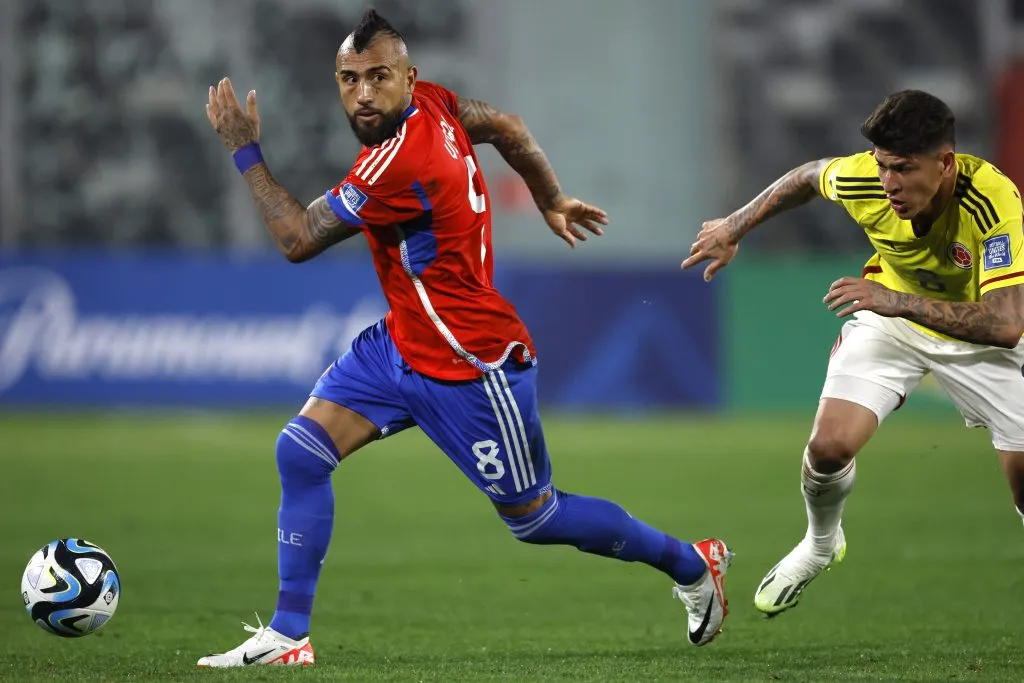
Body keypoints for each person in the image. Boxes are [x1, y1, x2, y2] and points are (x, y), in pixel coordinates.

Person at [198, 9, 731, 666]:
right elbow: (507, 125)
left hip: (471, 364)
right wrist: (550, 197)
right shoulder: (434, 104)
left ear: (408, 77)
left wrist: (244, 150)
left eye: (378, 77)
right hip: (401, 345)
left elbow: (296, 238)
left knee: (537, 519)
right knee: (302, 452)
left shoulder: (397, 163)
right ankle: (288, 635)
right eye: (349, 79)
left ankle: (693, 564)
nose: (363, 93)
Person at [684, 89, 1024, 616]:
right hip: (893, 322)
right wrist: (734, 226)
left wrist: (895, 300)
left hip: (975, 333)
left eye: (903, 168)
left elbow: (1005, 324)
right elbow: (804, 178)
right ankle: (820, 544)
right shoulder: (863, 178)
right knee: (828, 447)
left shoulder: (991, 202)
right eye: (883, 165)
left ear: (945, 163)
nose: (889, 183)